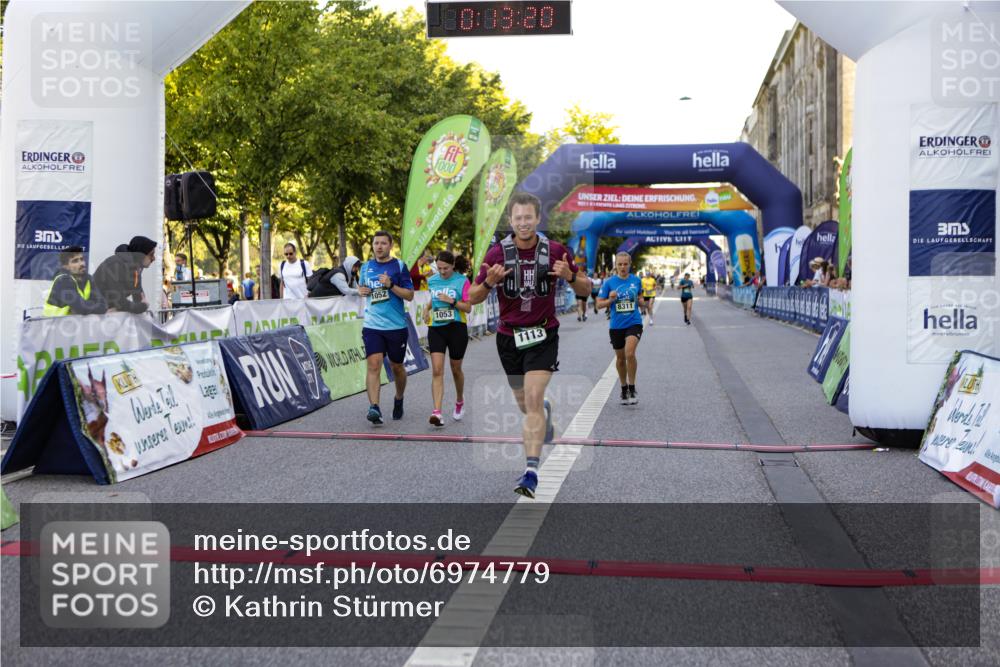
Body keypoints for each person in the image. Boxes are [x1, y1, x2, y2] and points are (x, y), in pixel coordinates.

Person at [468, 192, 591, 498]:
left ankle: (531, 472)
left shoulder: (557, 251)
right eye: (517, 218)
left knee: (533, 397)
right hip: (509, 338)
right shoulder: (497, 254)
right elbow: (472, 298)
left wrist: (571, 275)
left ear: (538, 219)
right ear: (510, 220)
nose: (523, 223)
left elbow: (586, 287)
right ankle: (543, 413)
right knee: (526, 405)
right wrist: (488, 283)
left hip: (543, 335)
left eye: (528, 218)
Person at [358, 231, 414, 425]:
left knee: (397, 366)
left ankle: (399, 398)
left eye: (383, 243)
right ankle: (374, 407)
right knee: (374, 365)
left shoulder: (399, 266)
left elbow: (409, 295)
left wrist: (391, 285)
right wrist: (361, 291)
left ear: (390, 246)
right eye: (376, 243)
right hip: (372, 324)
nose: (379, 246)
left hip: (396, 326)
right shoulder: (365, 267)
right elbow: (364, 289)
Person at [425, 250, 471, 426]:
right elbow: (434, 298)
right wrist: (426, 308)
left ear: (453, 265)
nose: (442, 271)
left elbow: (468, 308)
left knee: (455, 368)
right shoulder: (433, 280)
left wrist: (452, 301)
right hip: (437, 328)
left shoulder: (462, 281)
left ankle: (459, 400)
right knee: (437, 370)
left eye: (445, 268)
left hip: (456, 328)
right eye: (439, 268)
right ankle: (437, 412)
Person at [597, 252, 645, 406]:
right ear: (616, 265)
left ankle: (632, 388)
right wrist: (610, 300)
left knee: (629, 353)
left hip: (634, 322)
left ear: (630, 264)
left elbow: (641, 298)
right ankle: (623, 388)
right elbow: (598, 304)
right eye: (620, 264)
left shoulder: (636, 281)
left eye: (625, 264)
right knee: (620, 359)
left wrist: (642, 302)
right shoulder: (609, 283)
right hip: (616, 326)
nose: (623, 267)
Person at [93, 235, 157, 314]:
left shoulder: (136, 268)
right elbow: (120, 303)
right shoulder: (115, 265)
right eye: (151, 254)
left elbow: (138, 297)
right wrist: (142, 307)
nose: (154, 258)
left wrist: (142, 306)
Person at [43, 246, 108, 316]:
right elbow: (81, 308)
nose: (82, 264)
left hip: (74, 323)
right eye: (75, 261)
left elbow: (103, 306)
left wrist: (84, 306)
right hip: (53, 324)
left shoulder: (88, 278)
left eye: (82, 259)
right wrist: (89, 305)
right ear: (65, 266)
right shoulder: (63, 280)